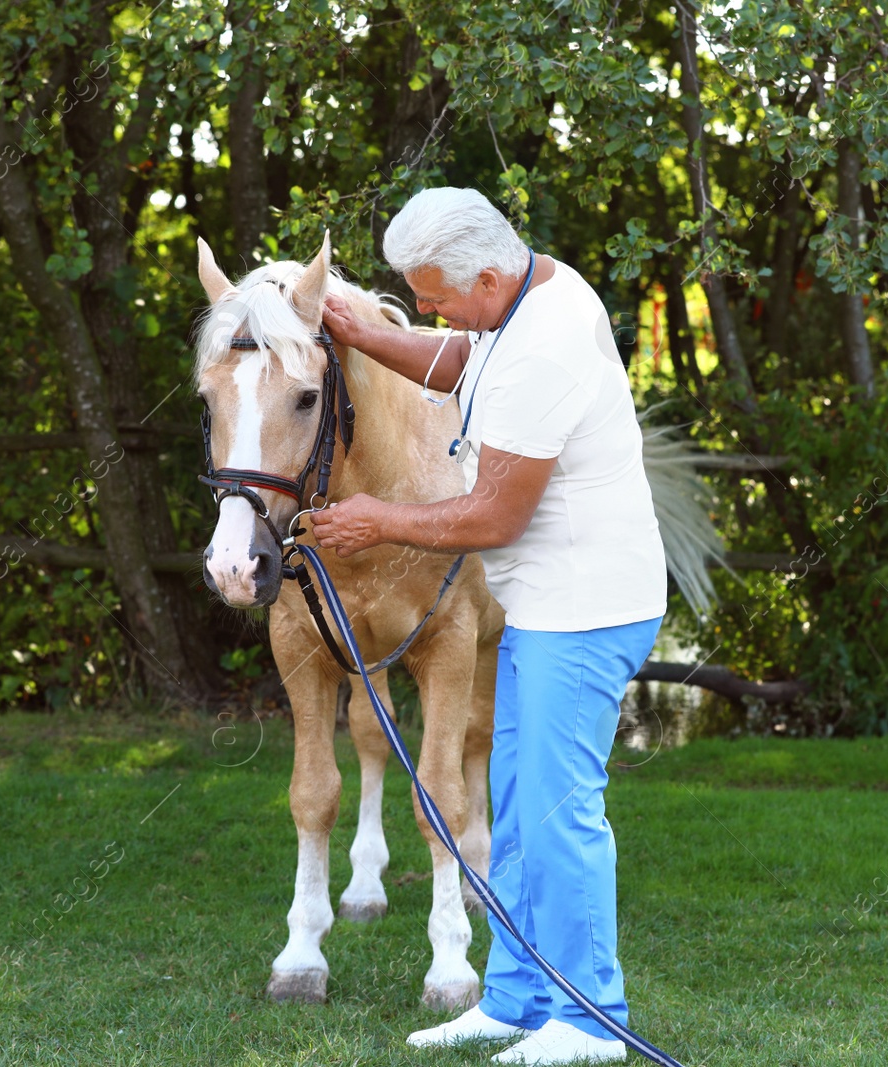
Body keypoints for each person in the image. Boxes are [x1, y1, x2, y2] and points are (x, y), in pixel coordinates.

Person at [312, 187, 666, 1066]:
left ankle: (590, 1021)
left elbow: (494, 517)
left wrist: (375, 520)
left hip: (585, 607)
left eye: (432, 292)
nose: (426, 308)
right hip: (548, 605)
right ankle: (516, 998)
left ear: (490, 271)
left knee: (559, 816)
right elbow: (455, 356)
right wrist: (359, 333)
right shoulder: (524, 297)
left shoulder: (541, 346)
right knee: (514, 808)